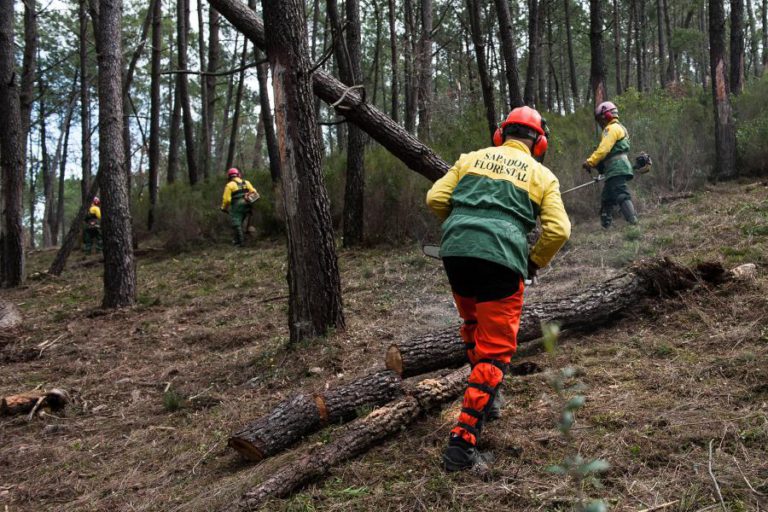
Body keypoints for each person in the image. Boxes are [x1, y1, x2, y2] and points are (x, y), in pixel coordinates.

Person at [426, 106, 571, 472]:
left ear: (500, 133)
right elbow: (558, 231)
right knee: (495, 351)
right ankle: (462, 445)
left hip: (456, 253)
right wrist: (532, 262)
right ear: (539, 142)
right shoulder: (542, 175)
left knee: (474, 326)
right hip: (502, 262)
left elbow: (435, 199)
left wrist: (465, 225)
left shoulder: (470, 159)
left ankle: (486, 399)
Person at [582, 101, 638, 228]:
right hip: (618, 166)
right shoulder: (621, 128)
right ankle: (606, 226)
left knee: (621, 192)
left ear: (606, 116)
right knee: (607, 197)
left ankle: (633, 223)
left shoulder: (611, 129)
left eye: (600, 120)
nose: (600, 124)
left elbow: (603, 150)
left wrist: (590, 162)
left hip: (616, 167)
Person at [221, 168, 258, 246]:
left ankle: (241, 242)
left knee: (236, 223)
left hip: (237, 206)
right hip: (248, 205)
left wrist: (224, 208)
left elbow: (227, 200)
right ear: (238, 175)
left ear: (229, 176)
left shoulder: (229, 185)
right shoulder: (246, 182)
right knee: (245, 223)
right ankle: (249, 239)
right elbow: (254, 193)